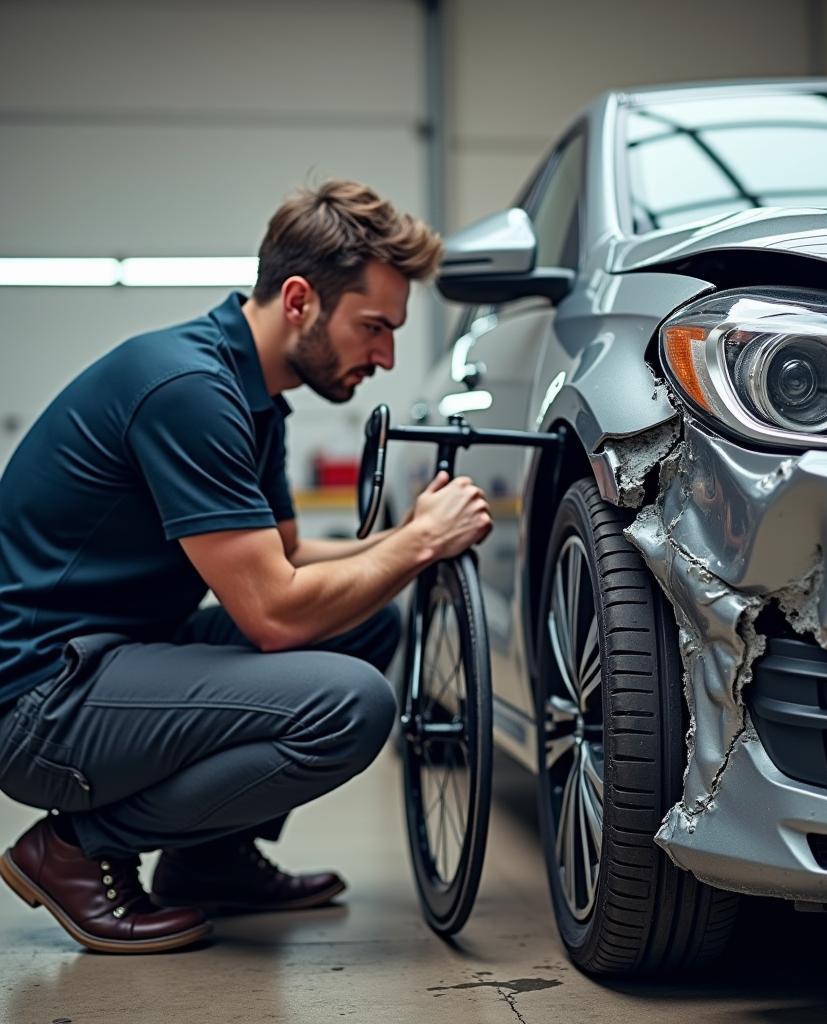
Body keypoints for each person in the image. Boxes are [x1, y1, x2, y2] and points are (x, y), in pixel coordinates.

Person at [0, 180, 492, 953]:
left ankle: (209, 860)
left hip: (110, 662)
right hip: (40, 703)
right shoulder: (190, 390)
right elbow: (272, 613)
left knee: (363, 629)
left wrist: (410, 533)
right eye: (374, 327)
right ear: (299, 300)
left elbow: (287, 557)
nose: (387, 357)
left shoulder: (254, 395)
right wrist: (418, 544)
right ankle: (74, 849)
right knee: (352, 703)